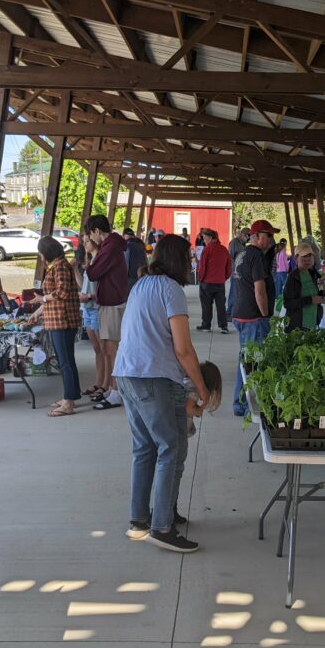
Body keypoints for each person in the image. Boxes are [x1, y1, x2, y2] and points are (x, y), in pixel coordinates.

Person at [114, 234, 210, 554]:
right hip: (151, 376)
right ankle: (162, 527)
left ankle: (142, 519)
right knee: (170, 447)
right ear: (178, 260)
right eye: (188, 257)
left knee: (145, 449)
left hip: (128, 374)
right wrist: (200, 386)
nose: (192, 262)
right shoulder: (171, 289)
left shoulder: (142, 284)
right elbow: (183, 349)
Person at [25, 236, 82, 417]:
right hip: (58, 320)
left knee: (65, 362)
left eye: (41, 253)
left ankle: (69, 402)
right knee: (66, 360)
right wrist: (37, 312)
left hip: (62, 321)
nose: (40, 256)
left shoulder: (60, 267)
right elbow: (53, 296)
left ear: (46, 253)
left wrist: (42, 298)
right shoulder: (58, 266)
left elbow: (62, 292)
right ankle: (70, 395)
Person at [231, 219, 279, 417]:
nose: (271, 240)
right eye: (268, 235)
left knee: (246, 359)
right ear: (257, 236)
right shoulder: (257, 257)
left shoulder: (242, 254)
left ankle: (240, 402)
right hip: (253, 318)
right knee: (252, 362)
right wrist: (266, 315)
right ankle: (242, 404)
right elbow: (260, 292)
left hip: (241, 313)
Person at [85, 214, 129, 410]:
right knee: (108, 348)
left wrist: (92, 259)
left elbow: (93, 273)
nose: (90, 239)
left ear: (96, 231)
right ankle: (112, 388)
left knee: (112, 350)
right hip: (110, 302)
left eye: (90, 234)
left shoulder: (110, 247)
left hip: (112, 303)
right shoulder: (112, 246)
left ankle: (117, 391)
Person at [78, 235, 105, 399]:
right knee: (96, 349)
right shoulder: (90, 263)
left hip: (95, 307)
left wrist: (88, 297)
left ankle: (105, 383)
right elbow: (84, 286)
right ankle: (98, 381)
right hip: (87, 308)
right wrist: (75, 270)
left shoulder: (99, 262)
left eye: (87, 241)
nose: (84, 244)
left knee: (103, 349)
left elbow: (103, 288)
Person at [283, 242, 325, 332]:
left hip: (313, 321)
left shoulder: (314, 273)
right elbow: (288, 303)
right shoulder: (293, 277)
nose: (307, 260)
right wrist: (310, 300)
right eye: (304, 257)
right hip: (298, 325)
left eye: (310, 256)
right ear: (296, 258)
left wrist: (323, 293)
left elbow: (318, 292)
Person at [196, 228, 232, 334]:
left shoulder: (207, 249)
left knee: (206, 304)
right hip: (220, 283)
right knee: (221, 305)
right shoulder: (224, 249)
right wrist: (223, 277)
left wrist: (200, 279)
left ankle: (206, 325)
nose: (203, 240)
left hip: (207, 282)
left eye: (204, 238)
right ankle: (223, 326)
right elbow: (229, 267)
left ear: (211, 238)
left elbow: (202, 266)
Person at [186, 361, 223, 437]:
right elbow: (188, 409)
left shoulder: (188, 382)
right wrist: (199, 411)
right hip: (179, 432)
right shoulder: (194, 389)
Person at [226, 226, 250, 317]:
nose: (248, 239)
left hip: (242, 272)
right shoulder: (234, 242)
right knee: (234, 292)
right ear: (242, 234)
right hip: (236, 272)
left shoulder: (243, 244)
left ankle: (235, 312)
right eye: (247, 236)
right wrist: (235, 270)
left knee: (239, 293)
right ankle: (229, 313)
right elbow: (230, 257)